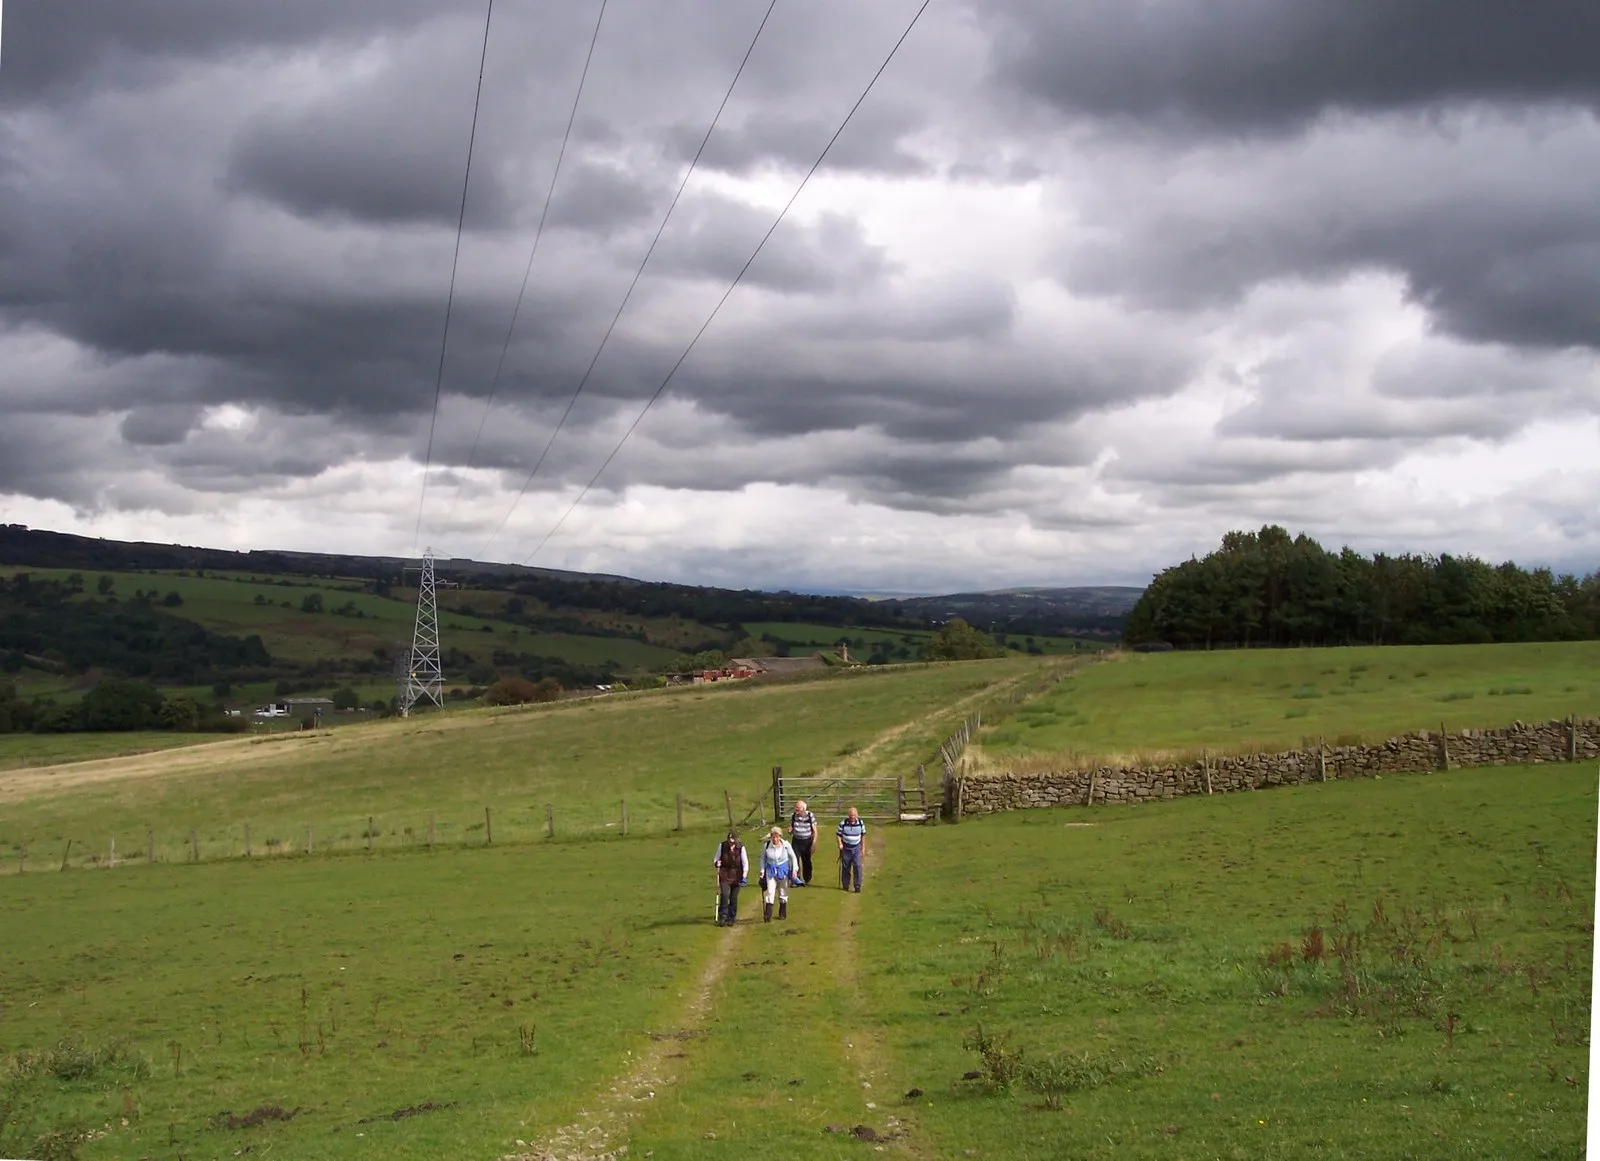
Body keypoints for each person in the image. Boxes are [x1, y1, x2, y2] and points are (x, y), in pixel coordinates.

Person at [758, 826, 800, 921]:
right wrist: (762, 870)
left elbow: (793, 857)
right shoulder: (767, 845)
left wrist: (794, 870)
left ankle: (782, 913)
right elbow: (762, 858)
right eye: (773, 837)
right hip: (770, 870)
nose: (775, 839)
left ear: (780, 836)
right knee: (770, 890)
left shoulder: (786, 845)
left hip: (783, 870)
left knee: (783, 890)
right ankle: (768, 915)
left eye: (777, 837)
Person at [713, 829, 747, 926]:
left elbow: (745, 863)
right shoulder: (722, 846)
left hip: (737, 875)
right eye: (730, 841)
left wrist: (744, 876)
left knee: (733, 897)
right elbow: (716, 858)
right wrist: (717, 863)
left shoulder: (741, 848)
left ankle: (731, 917)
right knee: (725, 894)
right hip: (724, 873)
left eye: (733, 841)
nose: (731, 843)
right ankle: (723, 916)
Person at [788, 798, 818, 885]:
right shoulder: (794, 816)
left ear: (803, 808)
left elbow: (815, 831)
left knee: (806, 861)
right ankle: (796, 879)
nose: (796, 809)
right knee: (795, 859)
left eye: (798, 808)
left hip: (807, 841)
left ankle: (807, 878)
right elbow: (791, 827)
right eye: (795, 807)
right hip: (796, 841)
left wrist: (814, 842)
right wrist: (790, 830)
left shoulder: (810, 815)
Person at [837, 807, 866, 892]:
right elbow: (838, 835)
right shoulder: (843, 823)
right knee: (846, 867)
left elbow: (863, 835)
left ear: (856, 815)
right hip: (846, 848)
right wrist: (840, 844)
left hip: (856, 848)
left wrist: (863, 847)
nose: (852, 817)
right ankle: (845, 885)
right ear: (848, 815)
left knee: (857, 866)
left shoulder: (860, 823)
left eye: (854, 815)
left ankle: (857, 886)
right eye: (850, 815)